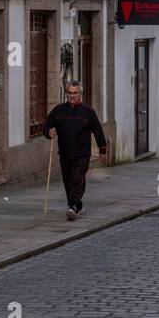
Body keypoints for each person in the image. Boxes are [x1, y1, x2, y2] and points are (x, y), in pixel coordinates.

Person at [46, 80, 109, 221]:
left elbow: (98, 131)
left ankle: (72, 206)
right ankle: (77, 205)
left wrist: (102, 150)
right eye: (69, 93)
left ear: (80, 94)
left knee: (77, 179)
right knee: (68, 181)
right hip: (65, 153)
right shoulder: (59, 110)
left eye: (75, 93)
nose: (72, 96)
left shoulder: (88, 112)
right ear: (66, 94)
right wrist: (48, 132)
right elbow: (47, 125)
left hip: (82, 155)